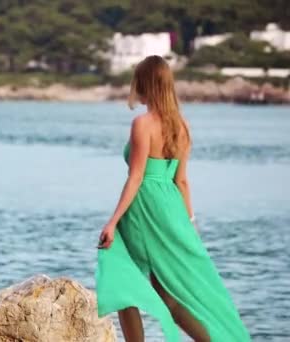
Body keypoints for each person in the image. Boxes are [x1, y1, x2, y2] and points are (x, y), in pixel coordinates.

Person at [94, 55, 251, 342]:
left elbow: (137, 177)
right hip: (171, 208)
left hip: (144, 207)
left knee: (120, 274)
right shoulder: (181, 126)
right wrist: (188, 223)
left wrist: (112, 222)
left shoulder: (143, 124)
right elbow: (181, 180)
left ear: (145, 84)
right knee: (170, 295)